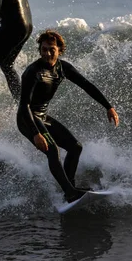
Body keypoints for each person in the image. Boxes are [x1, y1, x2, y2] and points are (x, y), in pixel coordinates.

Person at [17, 30, 119, 203]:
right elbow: (24, 105)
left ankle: (69, 189)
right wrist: (36, 133)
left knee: (75, 147)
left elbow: (87, 85)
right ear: (40, 50)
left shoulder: (63, 68)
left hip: (42, 116)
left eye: (51, 49)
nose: (47, 53)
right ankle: (70, 192)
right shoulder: (32, 72)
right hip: (27, 119)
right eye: (43, 49)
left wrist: (108, 106)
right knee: (53, 151)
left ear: (59, 50)